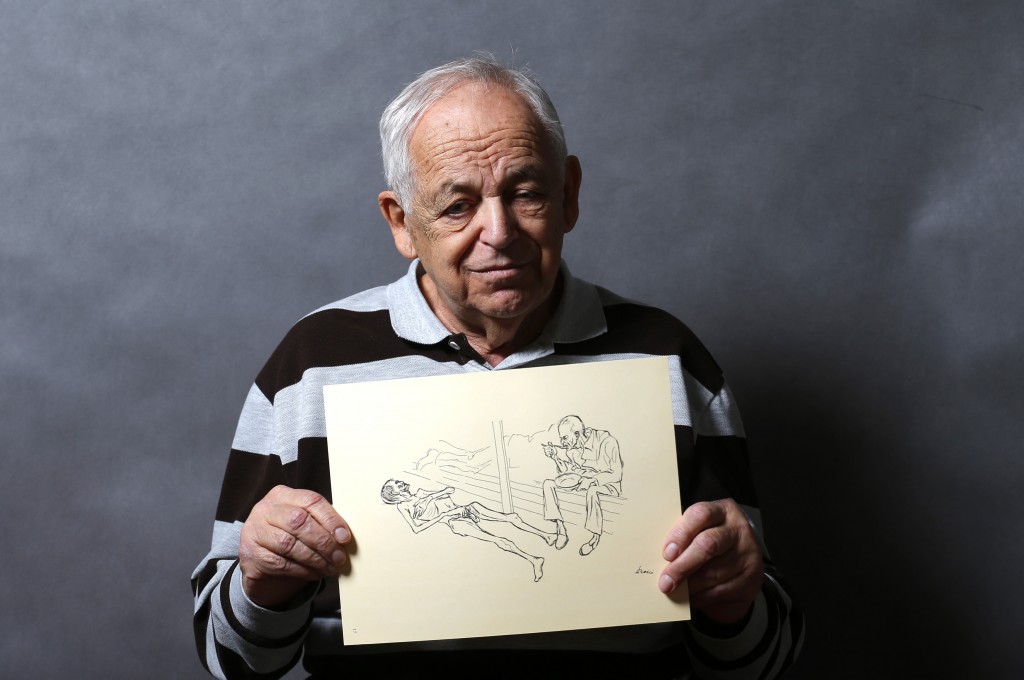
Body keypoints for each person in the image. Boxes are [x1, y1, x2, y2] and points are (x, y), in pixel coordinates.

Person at [192, 56, 804, 679]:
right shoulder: (313, 363)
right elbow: (232, 662)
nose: (499, 232)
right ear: (402, 223)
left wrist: (735, 602)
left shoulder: (669, 358)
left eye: (527, 193)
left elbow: (761, 665)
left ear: (569, 195)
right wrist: (261, 583)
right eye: (458, 206)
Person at [380, 479, 555, 582]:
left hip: (465, 509)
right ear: (394, 494)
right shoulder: (404, 507)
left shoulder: (420, 493)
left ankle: (546, 535)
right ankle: (534, 560)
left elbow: (449, 491)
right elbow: (417, 528)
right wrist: (442, 515)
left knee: (510, 518)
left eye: (398, 481)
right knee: (497, 539)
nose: (401, 483)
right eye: (397, 484)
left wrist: (430, 497)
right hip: (455, 522)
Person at [541, 415, 623, 555]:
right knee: (548, 484)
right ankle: (561, 529)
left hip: (607, 485)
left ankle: (594, 537)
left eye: (565, 438)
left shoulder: (607, 442)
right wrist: (554, 457)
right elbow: (567, 471)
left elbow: (616, 474)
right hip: (582, 481)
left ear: (577, 433)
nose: (562, 442)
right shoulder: (573, 448)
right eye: (561, 438)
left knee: (592, 490)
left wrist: (593, 480)